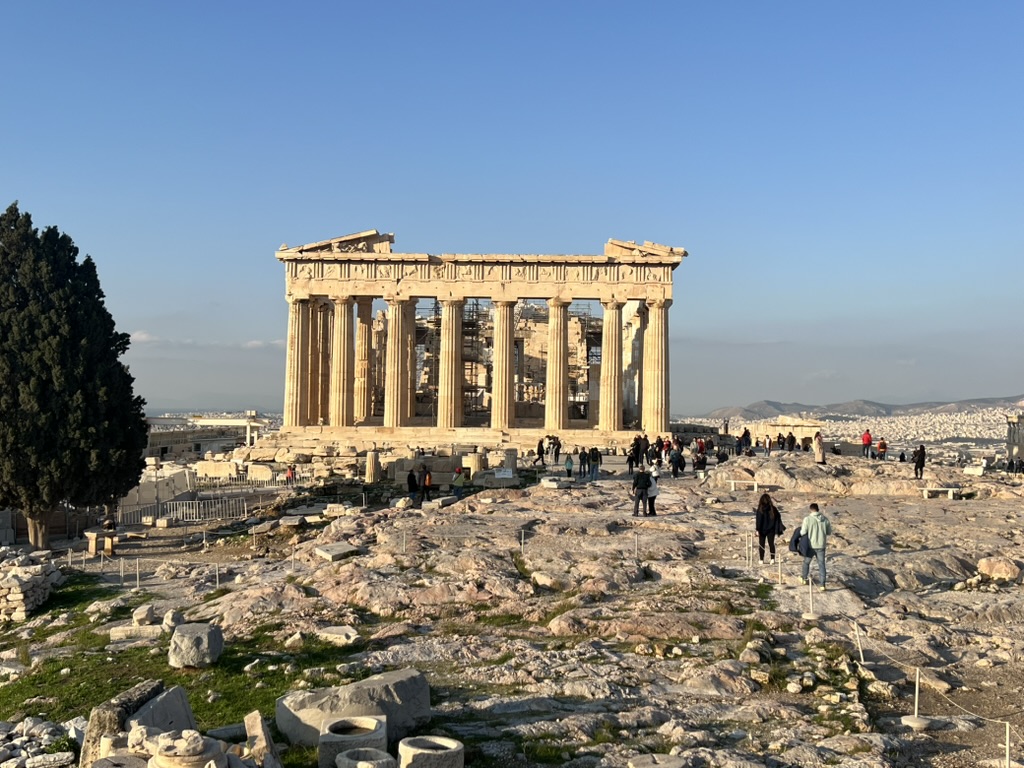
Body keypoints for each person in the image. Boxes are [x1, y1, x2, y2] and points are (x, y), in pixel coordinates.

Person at [799, 503, 833, 590]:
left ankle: (804, 578)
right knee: (821, 565)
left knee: (806, 562)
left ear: (810, 509)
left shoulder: (807, 519)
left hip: (810, 545)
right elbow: (829, 532)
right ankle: (822, 585)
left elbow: (803, 532)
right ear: (818, 509)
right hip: (821, 545)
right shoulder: (825, 519)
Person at [754, 493, 784, 564]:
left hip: (762, 530)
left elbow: (759, 520)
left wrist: (757, 529)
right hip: (771, 530)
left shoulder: (760, 509)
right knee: (771, 544)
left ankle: (761, 559)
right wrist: (777, 529)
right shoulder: (773, 509)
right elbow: (777, 518)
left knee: (761, 544)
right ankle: (772, 559)